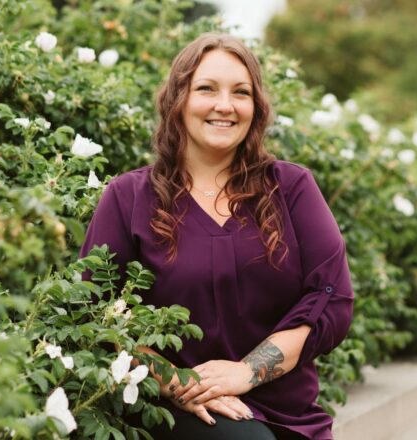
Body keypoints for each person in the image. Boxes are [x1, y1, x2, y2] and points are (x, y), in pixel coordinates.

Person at [80, 32, 354, 440]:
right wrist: (178, 383)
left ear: (255, 107)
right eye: (207, 89)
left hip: (287, 412)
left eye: (240, 93)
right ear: (178, 100)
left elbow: (331, 300)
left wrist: (246, 372)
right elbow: (97, 314)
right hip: (172, 409)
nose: (225, 106)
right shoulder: (128, 197)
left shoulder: (291, 188)